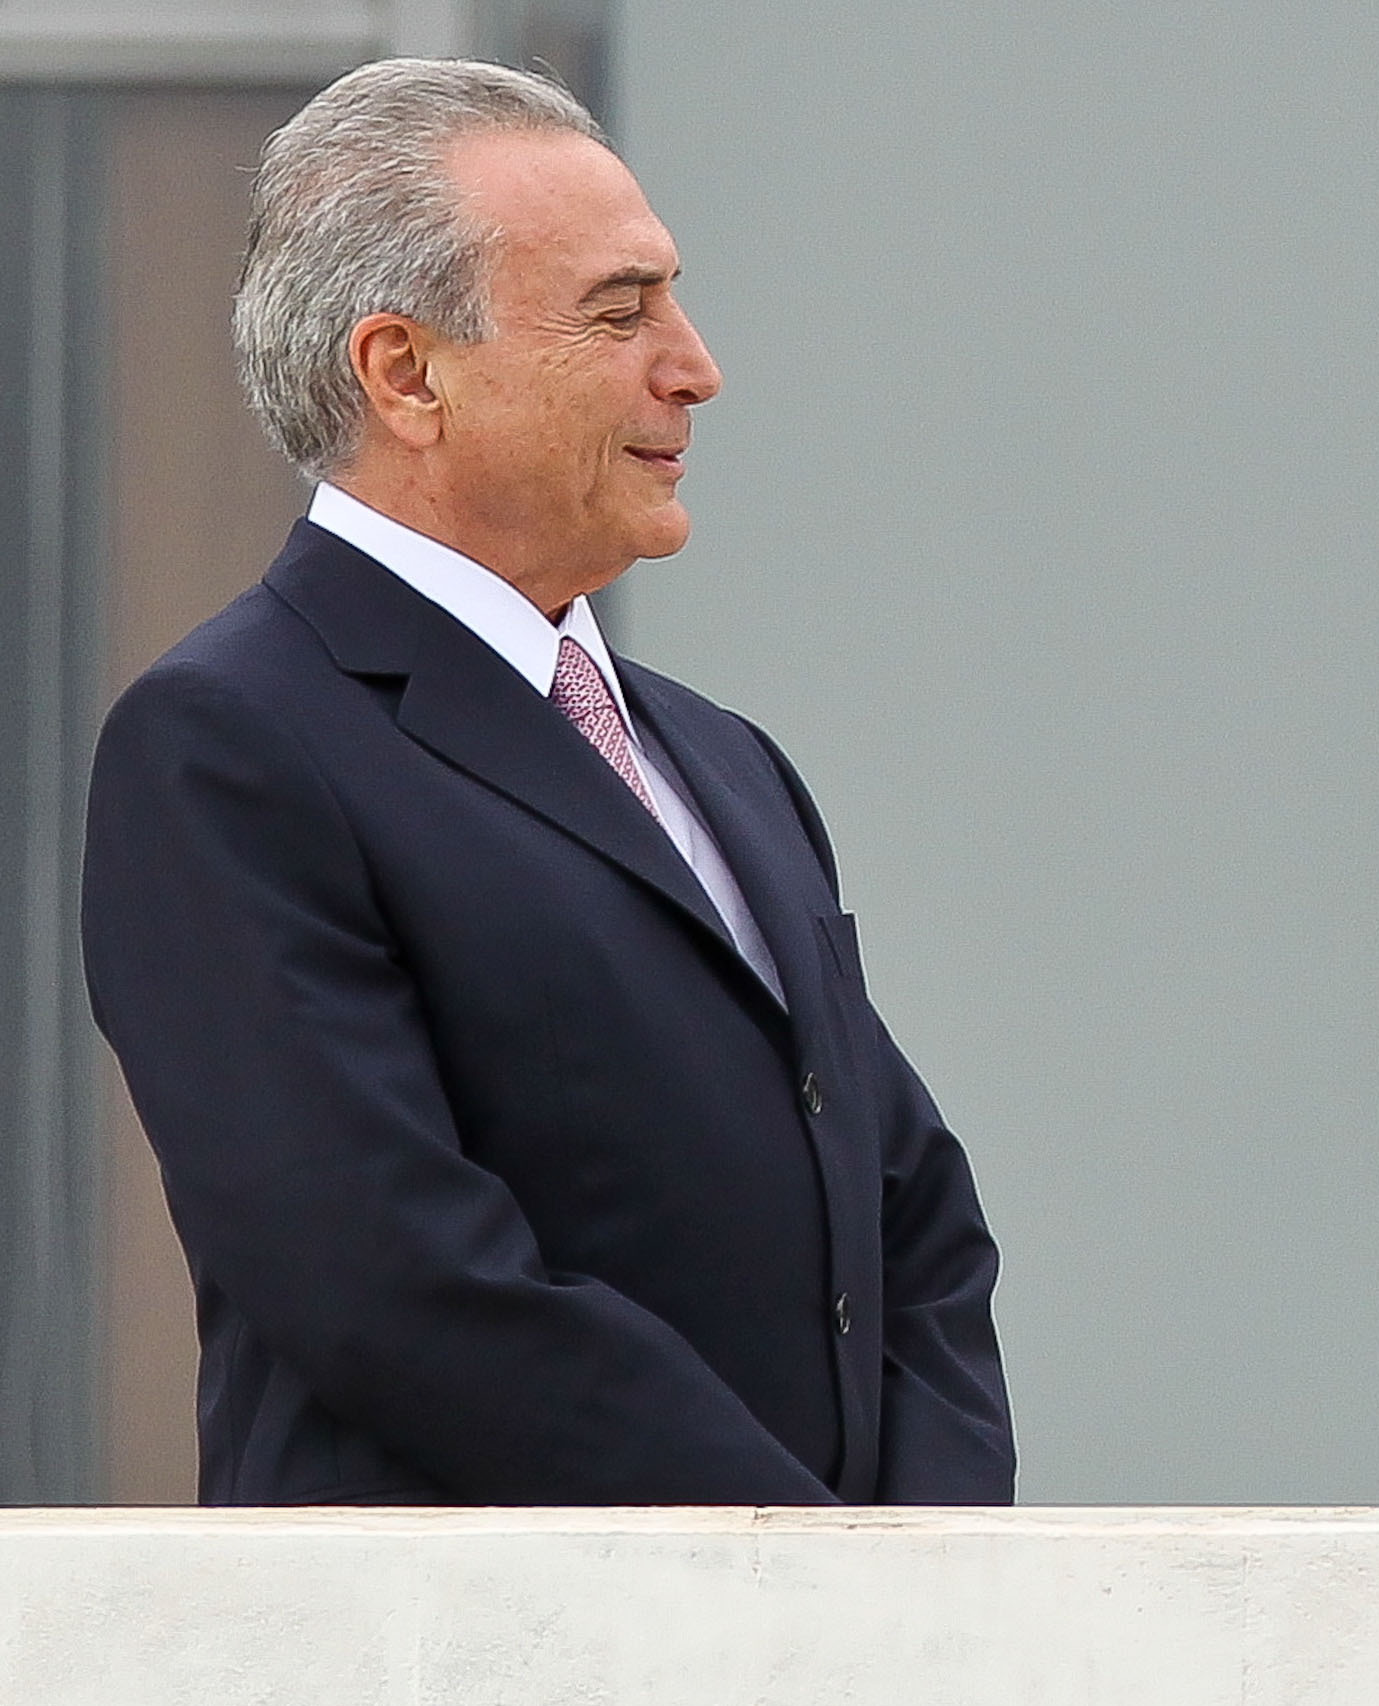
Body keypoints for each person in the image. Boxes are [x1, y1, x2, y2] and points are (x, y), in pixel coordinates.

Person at [80, 59, 1012, 1505]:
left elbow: (914, 1224)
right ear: (405, 374)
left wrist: (926, 1575)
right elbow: (386, 1277)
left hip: (823, 1677)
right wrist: (779, 1553)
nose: (695, 365)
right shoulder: (231, 742)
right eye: (619, 310)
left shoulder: (718, 756)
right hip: (474, 1681)